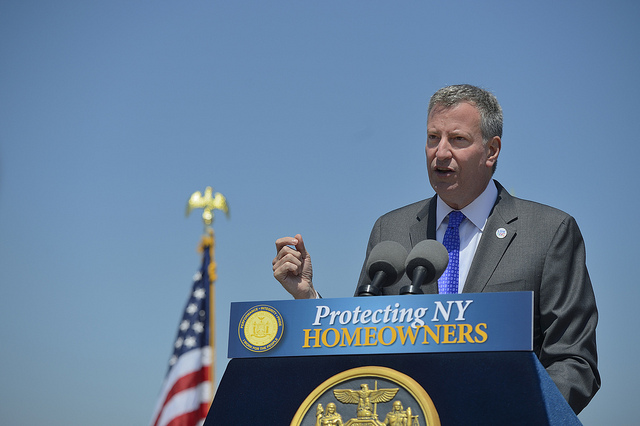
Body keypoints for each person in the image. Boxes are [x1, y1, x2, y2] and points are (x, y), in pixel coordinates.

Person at [272, 84, 600, 414]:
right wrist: (308, 297)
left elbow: (574, 362)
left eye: (457, 139)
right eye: (433, 138)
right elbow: (361, 348)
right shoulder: (391, 231)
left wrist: (520, 415)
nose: (440, 152)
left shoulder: (547, 232)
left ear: (491, 150)